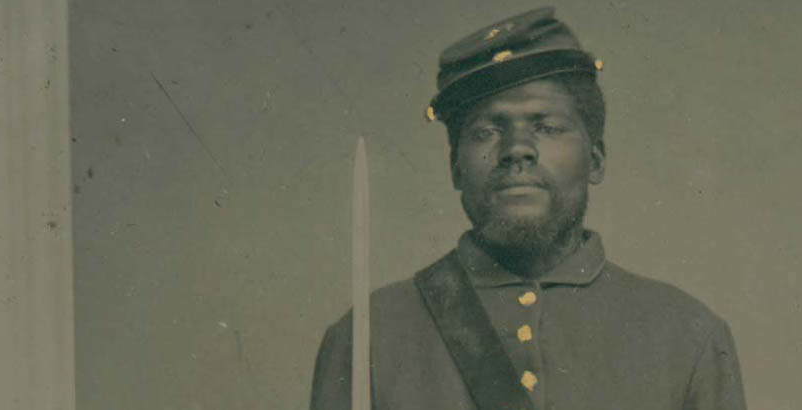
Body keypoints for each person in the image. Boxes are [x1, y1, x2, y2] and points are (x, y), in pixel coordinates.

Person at [311, 7, 746, 410]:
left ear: (595, 159)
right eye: (486, 131)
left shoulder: (686, 336)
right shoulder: (369, 337)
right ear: (455, 168)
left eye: (547, 126)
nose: (516, 149)